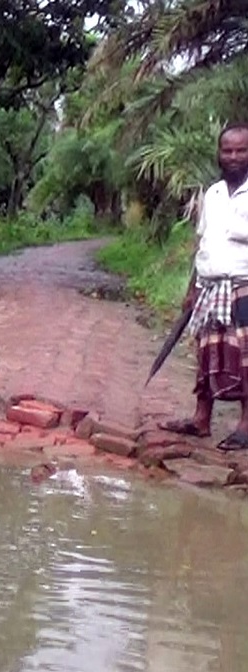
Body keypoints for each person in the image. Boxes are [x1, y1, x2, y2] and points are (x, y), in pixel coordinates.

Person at [162, 123, 248, 450]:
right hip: (210, 287)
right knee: (207, 352)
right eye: (228, 150)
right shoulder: (211, 194)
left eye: (241, 150)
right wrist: (191, 287)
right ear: (219, 153)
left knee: (245, 357)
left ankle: (245, 425)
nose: (234, 156)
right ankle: (200, 419)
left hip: (243, 285)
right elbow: (203, 243)